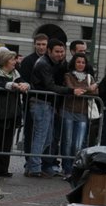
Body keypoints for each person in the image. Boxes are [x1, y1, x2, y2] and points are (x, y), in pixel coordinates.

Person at [25, 41, 71, 177]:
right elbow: (50, 86)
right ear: (49, 51)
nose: (60, 54)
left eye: (62, 52)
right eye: (57, 52)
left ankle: (31, 165)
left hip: (47, 104)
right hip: (40, 103)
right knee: (41, 136)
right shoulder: (43, 64)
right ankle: (34, 168)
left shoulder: (56, 63)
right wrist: (71, 90)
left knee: (47, 138)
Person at [0, 49, 29, 177]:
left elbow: (23, 82)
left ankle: (3, 168)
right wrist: (12, 85)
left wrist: (25, 85)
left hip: (11, 113)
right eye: (12, 59)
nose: (15, 62)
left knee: (7, 142)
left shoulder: (15, 73)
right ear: (4, 61)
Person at [60, 52, 99, 175]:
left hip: (82, 112)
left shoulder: (89, 77)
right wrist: (89, 89)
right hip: (68, 110)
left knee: (78, 143)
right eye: (78, 62)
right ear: (74, 63)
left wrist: (85, 90)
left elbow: (96, 92)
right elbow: (73, 89)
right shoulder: (68, 75)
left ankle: (75, 168)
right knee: (67, 141)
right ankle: (66, 168)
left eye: (83, 62)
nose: (81, 64)